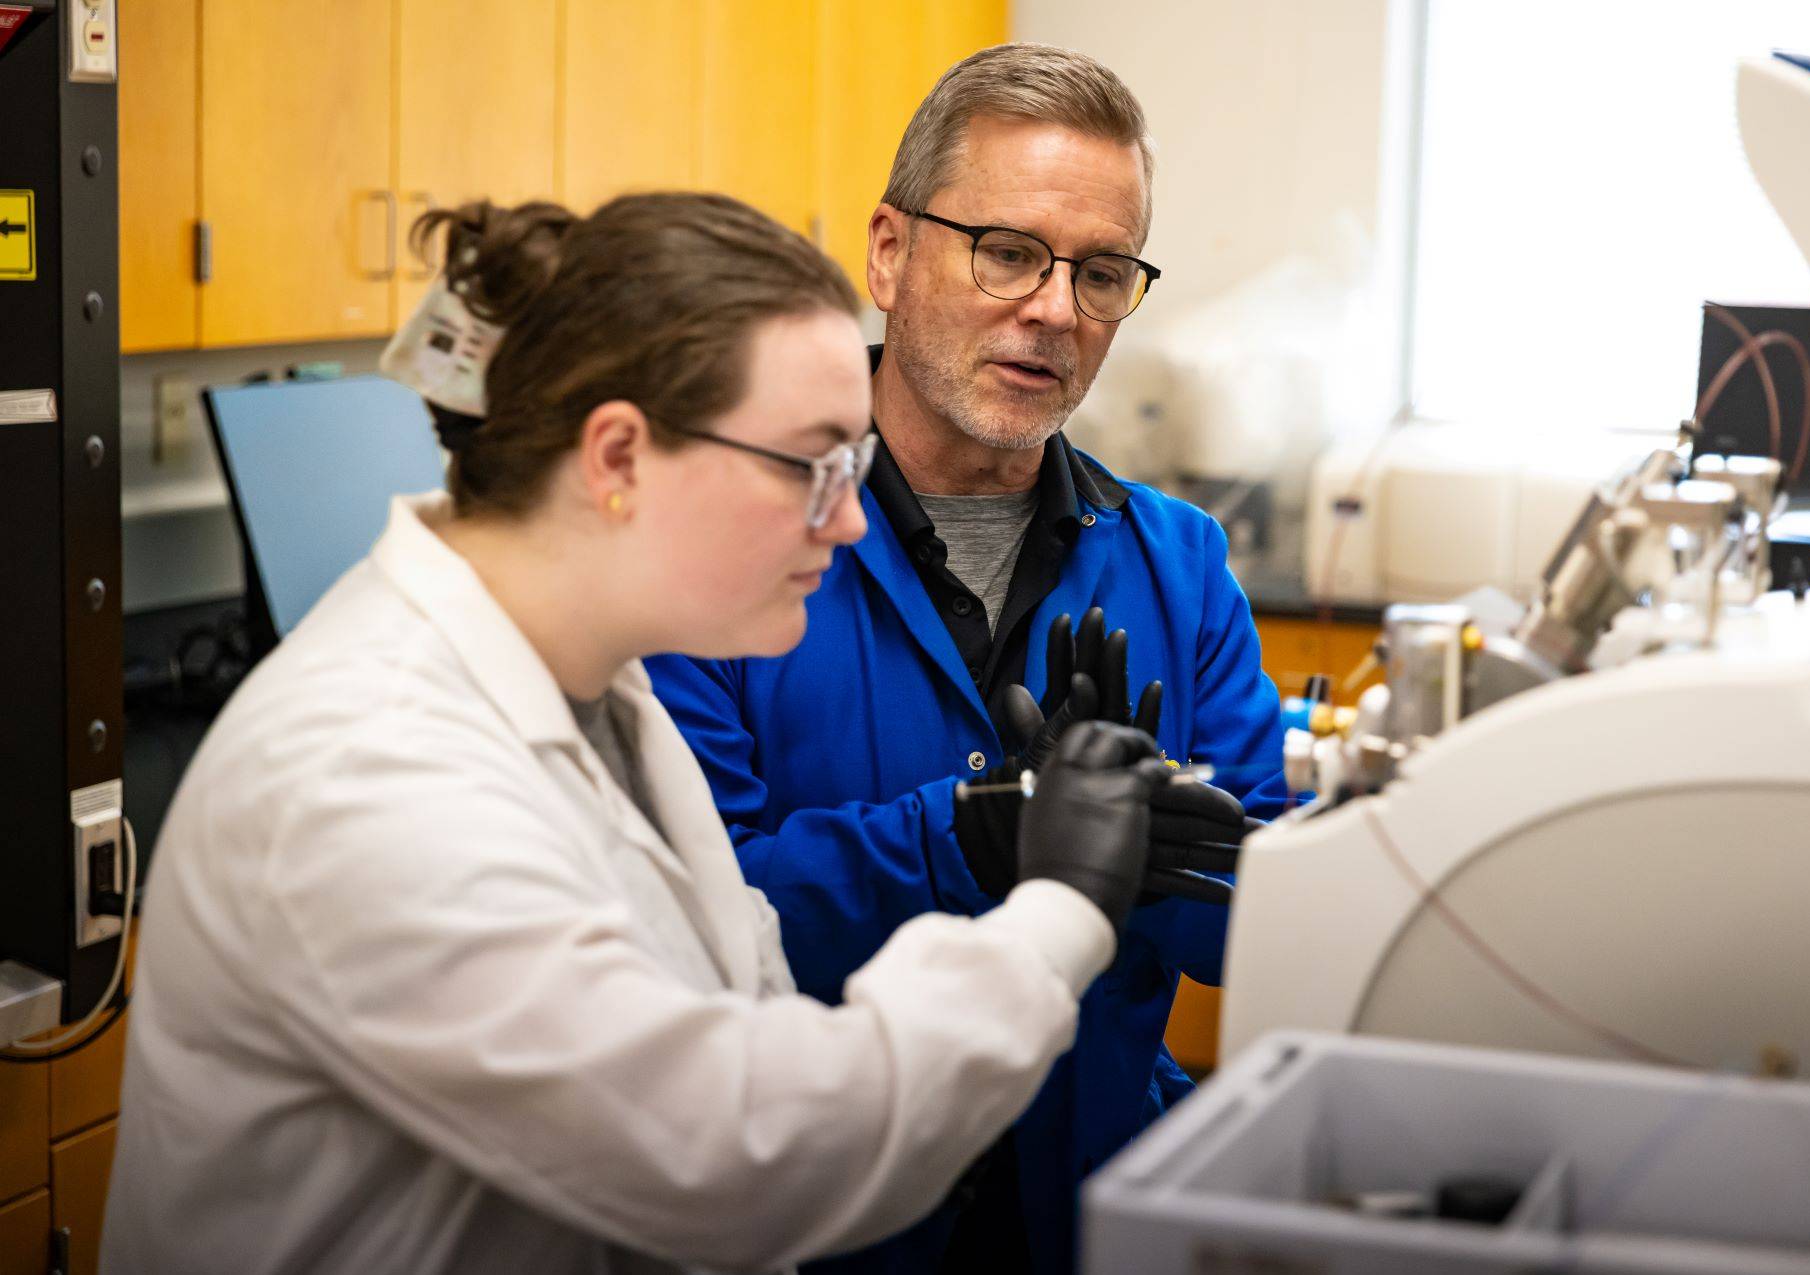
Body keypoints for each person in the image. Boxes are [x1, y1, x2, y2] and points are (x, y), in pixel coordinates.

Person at [101, 193, 1178, 1275]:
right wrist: (1060, 909)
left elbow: (738, 989)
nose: (851, 520)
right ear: (617, 457)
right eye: (811, 466)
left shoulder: (600, 692)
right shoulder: (366, 773)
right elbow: (741, 1153)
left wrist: (982, 836)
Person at [647, 43, 1290, 1275]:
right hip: (820, 1219)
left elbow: (1260, 934)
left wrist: (1152, 849)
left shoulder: (1178, 562)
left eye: (1101, 273)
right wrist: (971, 834)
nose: (1053, 309)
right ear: (890, 253)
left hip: (1090, 1211)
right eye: (1006, 252)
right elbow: (692, 929)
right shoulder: (737, 542)